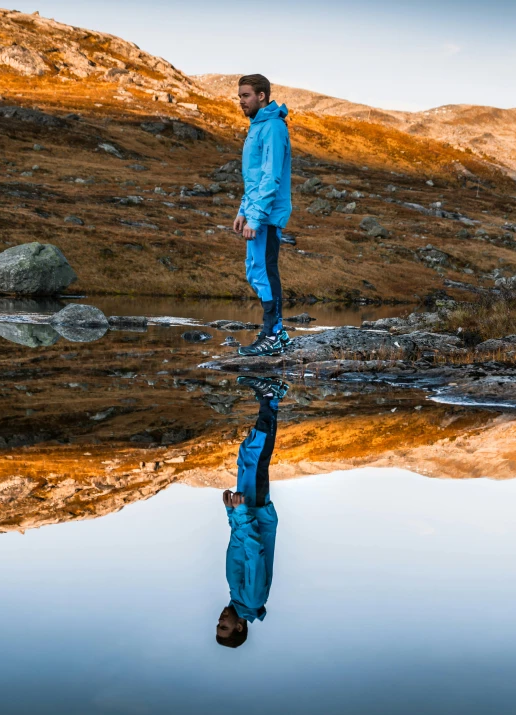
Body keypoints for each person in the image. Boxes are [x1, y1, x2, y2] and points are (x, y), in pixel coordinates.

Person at [216, 376, 289, 648]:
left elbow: (239, 546)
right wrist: (243, 512)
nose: (220, 619)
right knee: (256, 457)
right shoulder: (253, 599)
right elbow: (255, 551)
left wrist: (230, 513)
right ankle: (270, 398)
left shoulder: (238, 596)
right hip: (255, 513)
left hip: (247, 514)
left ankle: (270, 398)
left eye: (218, 624)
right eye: (224, 626)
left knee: (247, 455)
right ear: (239, 628)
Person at [233, 74, 292, 357]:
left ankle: (274, 334)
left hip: (267, 215)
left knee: (266, 271)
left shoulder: (273, 128)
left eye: (245, 96)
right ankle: (273, 331)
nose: (240, 101)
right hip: (257, 211)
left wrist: (255, 218)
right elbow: (253, 178)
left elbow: (271, 177)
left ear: (262, 96)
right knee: (255, 271)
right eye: (240, 96)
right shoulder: (258, 127)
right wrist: (243, 211)